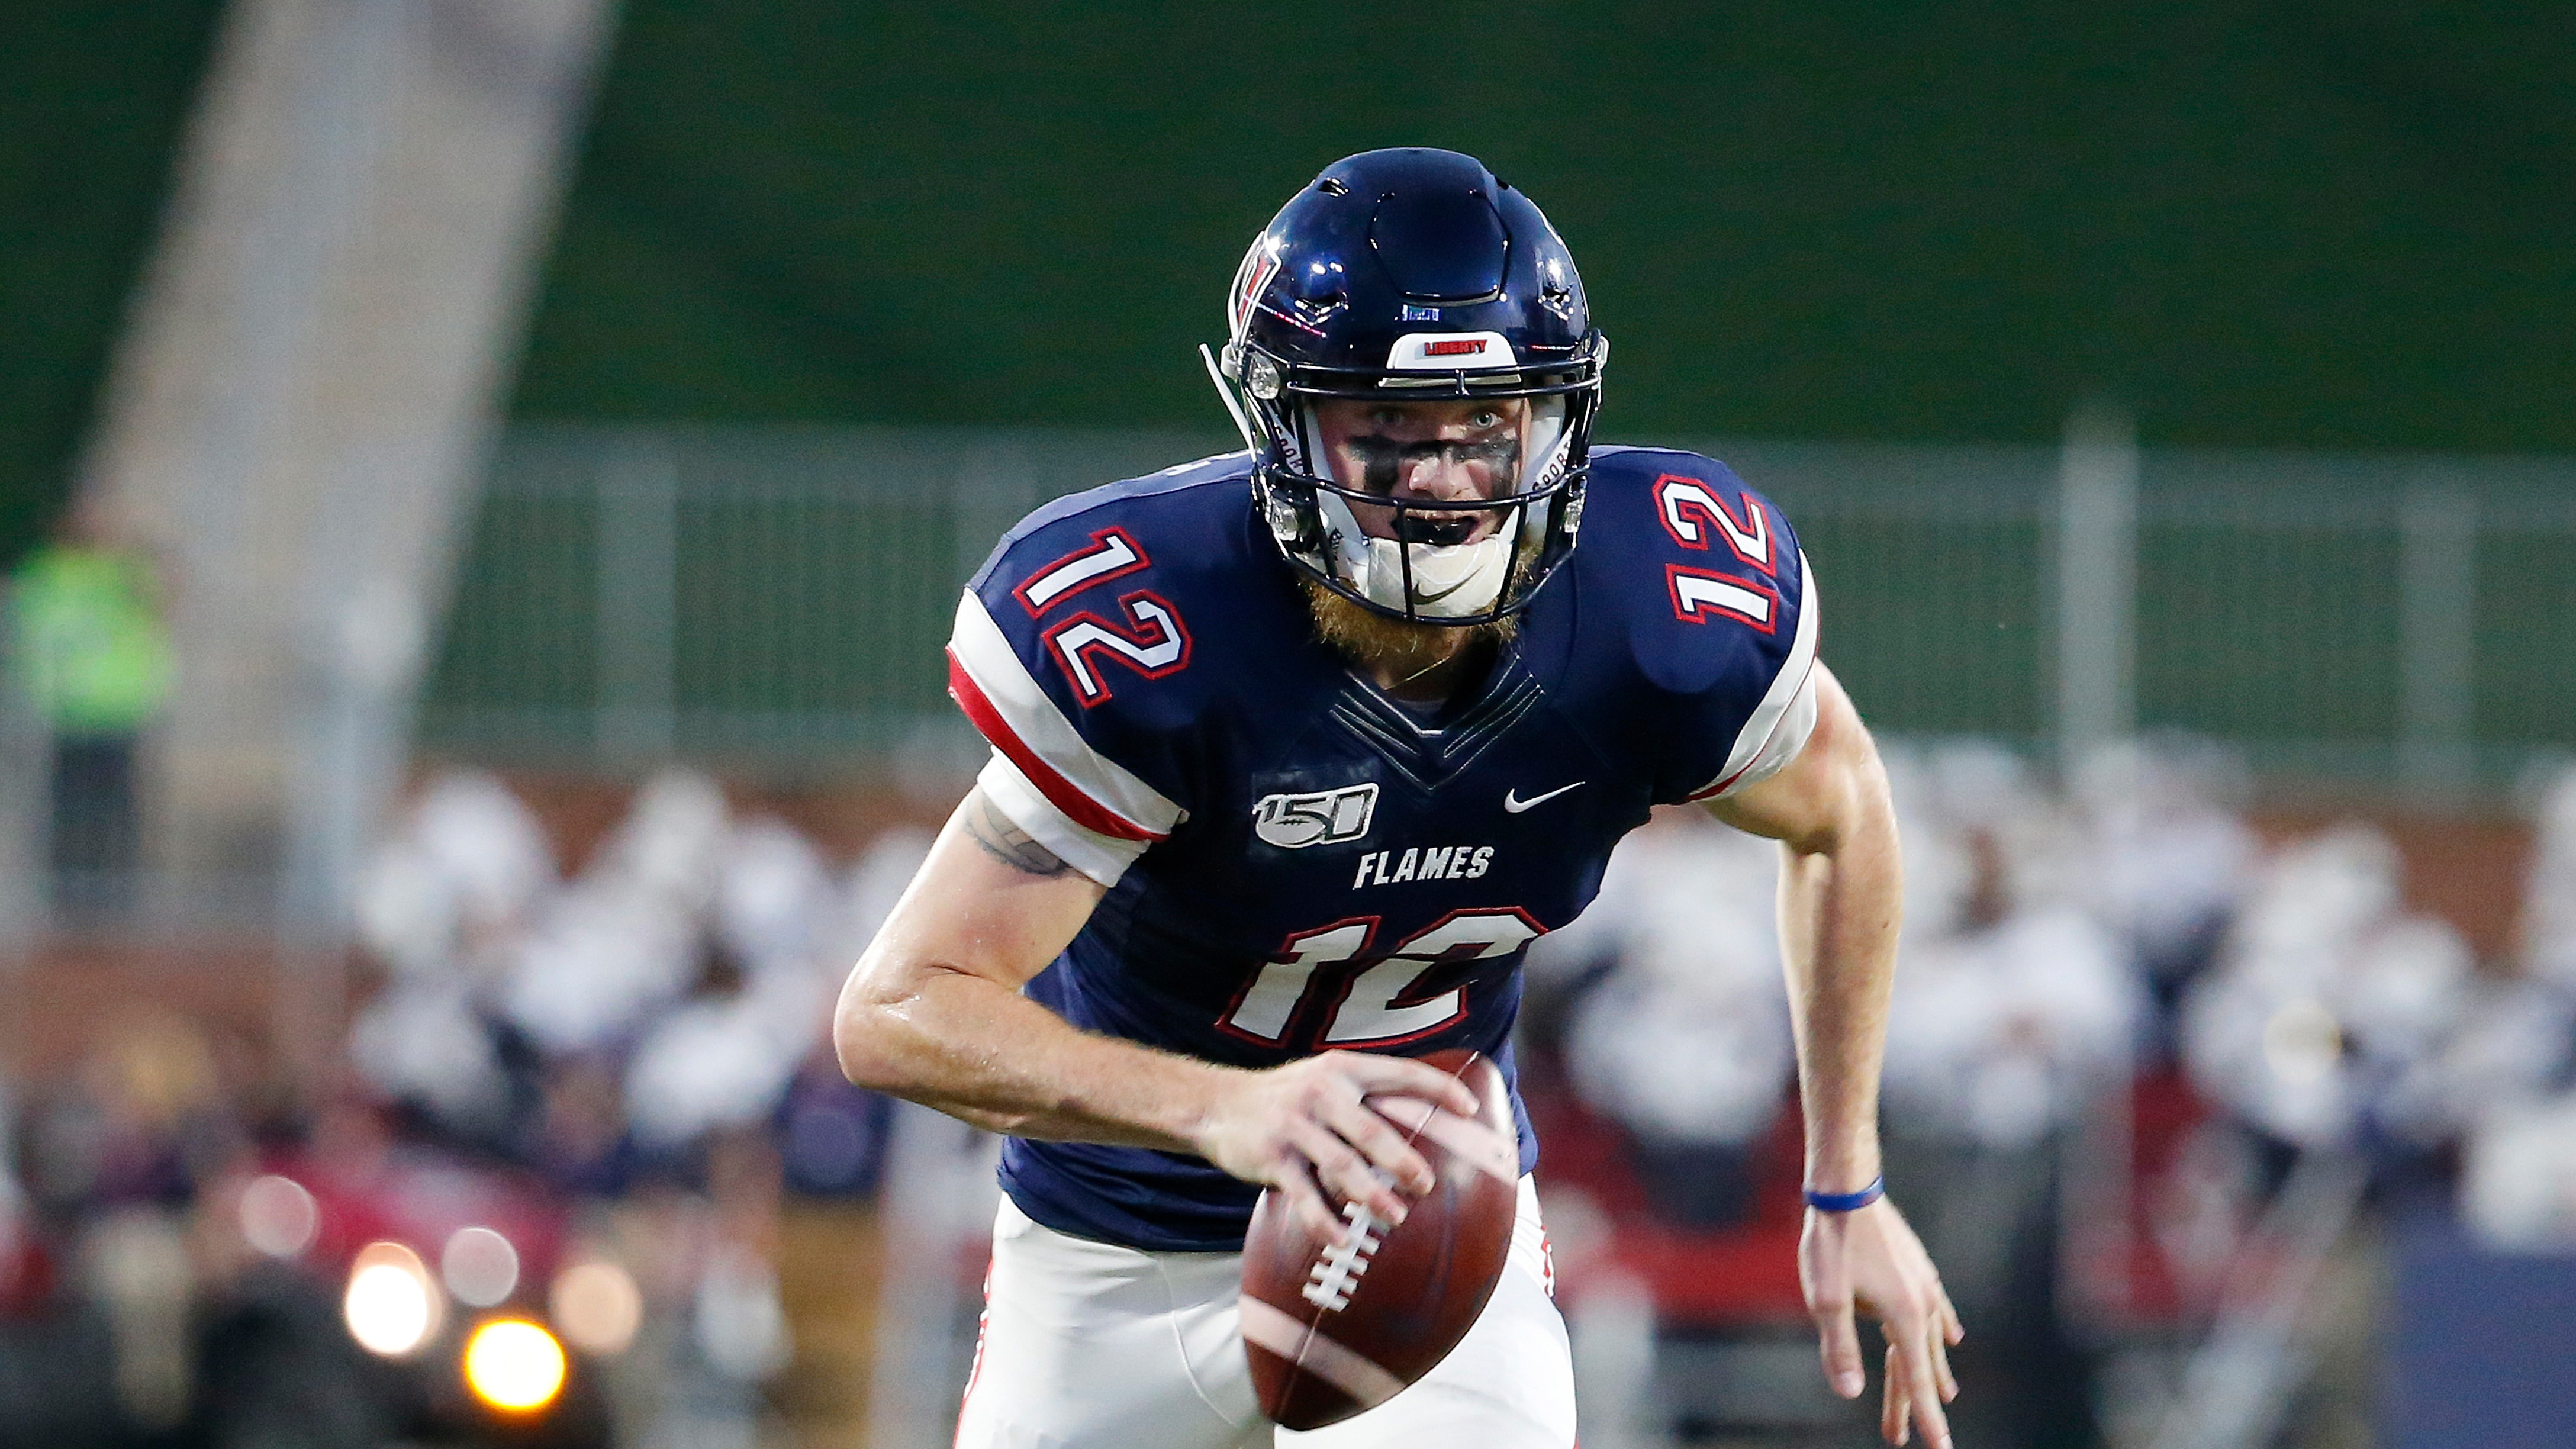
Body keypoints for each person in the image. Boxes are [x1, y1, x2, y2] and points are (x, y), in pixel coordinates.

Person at [834, 148, 1960, 1448]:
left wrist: (1844, 1187)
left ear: (1556, 421)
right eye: (1385, 431)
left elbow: (1843, 815)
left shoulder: (1659, 609)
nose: (1439, 481)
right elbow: (899, 1014)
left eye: (1487, 428)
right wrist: (1226, 1109)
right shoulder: (1159, 633)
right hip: (1112, 1261)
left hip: (1428, 1241)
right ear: (1282, 424)